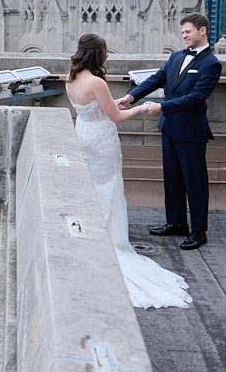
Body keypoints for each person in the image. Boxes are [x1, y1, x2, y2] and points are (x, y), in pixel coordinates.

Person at [66, 33, 192, 309]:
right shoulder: (97, 82)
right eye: (106, 51)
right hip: (102, 139)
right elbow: (116, 117)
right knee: (108, 185)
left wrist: (120, 102)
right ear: (97, 54)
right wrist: (142, 108)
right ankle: (110, 238)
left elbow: (96, 109)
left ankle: (90, 233)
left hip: (83, 134)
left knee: (91, 185)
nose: (108, 55)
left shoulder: (71, 78)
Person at [117, 12, 222, 250]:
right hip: (170, 127)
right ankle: (176, 223)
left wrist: (162, 106)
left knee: (195, 182)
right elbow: (156, 79)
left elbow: (197, 97)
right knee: (172, 178)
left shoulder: (212, 63)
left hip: (191, 131)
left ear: (202, 30)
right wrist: (131, 96)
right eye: (183, 32)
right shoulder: (175, 56)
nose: (184, 35)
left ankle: (198, 231)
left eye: (188, 31)